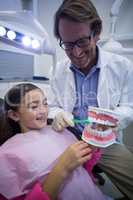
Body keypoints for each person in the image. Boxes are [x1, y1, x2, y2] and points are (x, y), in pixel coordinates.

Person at [48, 0, 133, 199]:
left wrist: (111, 119)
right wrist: (58, 114)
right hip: (67, 138)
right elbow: (51, 105)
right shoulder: (57, 70)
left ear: (96, 32)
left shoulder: (123, 66)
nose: (76, 53)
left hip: (104, 142)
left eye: (82, 42)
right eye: (68, 45)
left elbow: (130, 106)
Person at [0, 83, 110, 200]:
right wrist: (63, 167)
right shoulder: (7, 153)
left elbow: (84, 169)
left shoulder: (59, 130)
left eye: (45, 103)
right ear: (14, 115)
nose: (43, 111)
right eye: (34, 107)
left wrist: (94, 139)